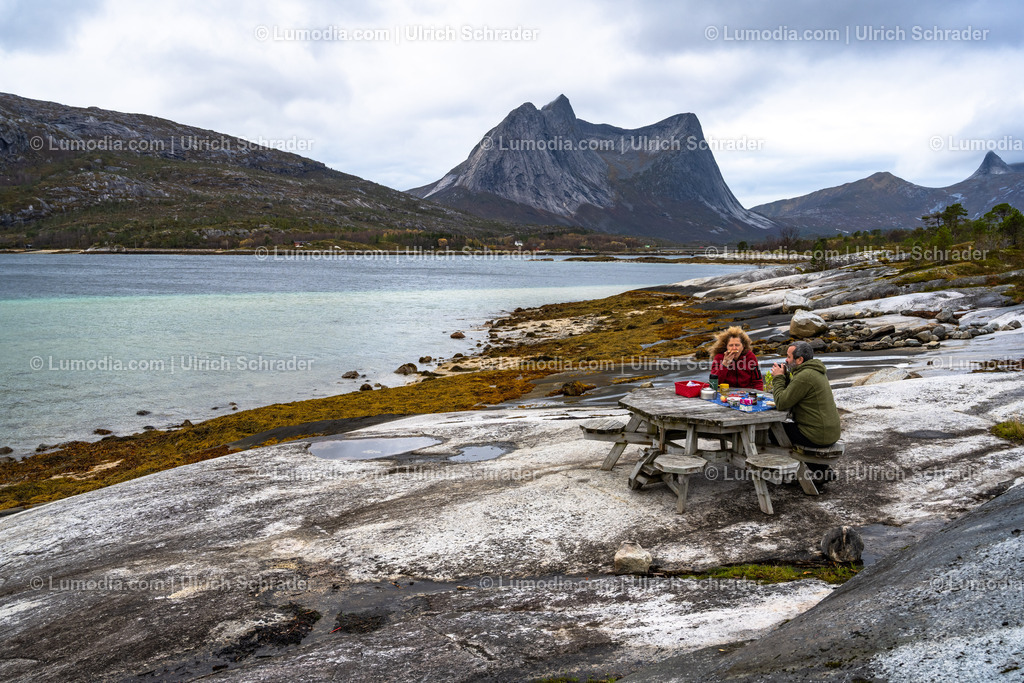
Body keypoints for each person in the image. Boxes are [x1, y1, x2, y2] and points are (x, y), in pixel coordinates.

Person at [771, 341, 842, 486]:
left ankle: (774, 472)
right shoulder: (812, 372)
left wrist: (778, 378)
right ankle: (821, 471)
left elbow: (782, 403)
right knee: (786, 429)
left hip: (817, 435)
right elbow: (793, 394)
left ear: (800, 360)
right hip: (829, 432)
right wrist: (785, 377)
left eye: (789, 357)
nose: (786, 360)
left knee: (773, 430)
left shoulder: (805, 376)